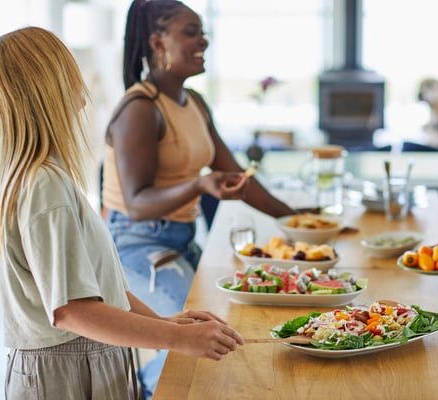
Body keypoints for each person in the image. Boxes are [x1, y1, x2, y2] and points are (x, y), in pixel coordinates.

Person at [0, 26, 244, 400]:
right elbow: (72, 311)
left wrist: (160, 322)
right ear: (46, 88)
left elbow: (103, 290)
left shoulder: (46, 176)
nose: (83, 93)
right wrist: (176, 338)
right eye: (70, 73)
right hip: (66, 372)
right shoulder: (44, 185)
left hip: (85, 360)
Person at [101, 0, 294, 397]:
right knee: (190, 343)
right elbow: (137, 203)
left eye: (202, 31)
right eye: (190, 32)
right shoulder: (140, 108)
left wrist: (298, 218)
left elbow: (239, 176)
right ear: (158, 42)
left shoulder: (195, 103)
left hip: (182, 243)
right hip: (137, 246)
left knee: (222, 330)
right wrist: (199, 185)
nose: (202, 40)